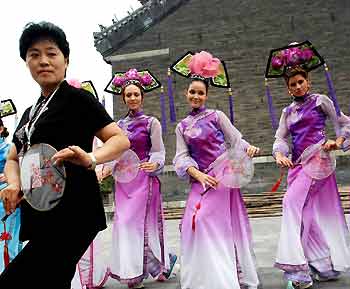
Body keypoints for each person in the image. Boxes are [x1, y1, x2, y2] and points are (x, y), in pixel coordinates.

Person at [0, 21, 130, 289]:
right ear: (26, 62)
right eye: (34, 55)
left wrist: (91, 158)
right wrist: (13, 183)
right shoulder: (29, 113)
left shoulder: (78, 99)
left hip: (75, 211)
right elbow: (13, 157)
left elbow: (119, 139)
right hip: (41, 212)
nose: (43, 61)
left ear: (66, 60)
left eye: (51, 53)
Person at [171, 51, 260, 289]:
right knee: (191, 222)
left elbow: (236, 140)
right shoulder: (182, 127)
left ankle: (224, 276)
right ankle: (203, 276)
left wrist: (250, 148)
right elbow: (181, 157)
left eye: (201, 92)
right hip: (200, 179)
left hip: (222, 177)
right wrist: (197, 174)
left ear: (206, 95)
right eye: (192, 92)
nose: (196, 96)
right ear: (186, 94)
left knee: (210, 221)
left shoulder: (216, 116)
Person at [265, 41, 350, 289]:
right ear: (288, 88)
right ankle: (322, 264)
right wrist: (279, 154)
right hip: (299, 165)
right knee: (305, 212)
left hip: (319, 160)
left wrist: (339, 141)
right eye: (293, 84)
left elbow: (343, 122)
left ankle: (297, 271)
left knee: (291, 203)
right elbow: (280, 138)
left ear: (308, 82)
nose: (298, 86)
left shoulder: (320, 101)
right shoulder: (287, 112)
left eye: (301, 81)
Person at [103, 68, 176, 289]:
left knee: (139, 225)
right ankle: (155, 265)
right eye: (128, 95)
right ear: (123, 98)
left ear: (142, 97)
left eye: (136, 94)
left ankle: (137, 272)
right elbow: (113, 152)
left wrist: (155, 163)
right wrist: (105, 168)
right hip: (124, 181)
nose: (132, 98)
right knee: (124, 224)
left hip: (144, 178)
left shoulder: (151, 122)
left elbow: (159, 151)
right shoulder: (118, 126)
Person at [0, 118, 22, 272]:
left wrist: (7, 176)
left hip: (7, 200)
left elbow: (20, 169)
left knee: (10, 243)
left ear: (1, 129)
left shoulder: (9, 149)